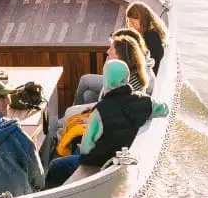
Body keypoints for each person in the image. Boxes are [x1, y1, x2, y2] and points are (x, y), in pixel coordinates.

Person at [45, 59, 168, 189]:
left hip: (99, 163)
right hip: (122, 157)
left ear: (106, 81)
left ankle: (46, 193)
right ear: (127, 79)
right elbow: (164, 109)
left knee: (56, 165)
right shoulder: (142, 101)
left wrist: (81, 148)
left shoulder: (99, 111)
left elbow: (86, 149)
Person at [124, 1, 167, 69]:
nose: (130, 26)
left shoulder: (151, 38)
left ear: (142, 20)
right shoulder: (151, 33)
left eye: (132, 22)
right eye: (128, 21)